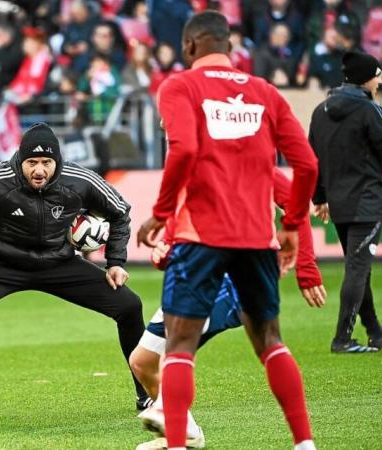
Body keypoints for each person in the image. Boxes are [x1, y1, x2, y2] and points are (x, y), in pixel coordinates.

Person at [136, 11, 319, 450]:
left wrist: (160, 214)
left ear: (189, 46)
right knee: (271, 342)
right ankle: (305, 444)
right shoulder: (265, 92)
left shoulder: (180, 86)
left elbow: (184, 149)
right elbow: (307, 165)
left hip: (202, 238)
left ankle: (178, 444)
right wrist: (292, 227)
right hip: (257, 239)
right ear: (229, 45)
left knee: (179, 346)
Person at [0, 122, 149, 417]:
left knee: (130, 306)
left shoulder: (79, 180)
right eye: (32, 162)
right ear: (21, 161)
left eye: (47, 162)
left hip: (59, 263)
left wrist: (116, 263)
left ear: (57, 162)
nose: (39, 170)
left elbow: (120, 212)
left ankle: (146, 395)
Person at [130, 169, 327, 449]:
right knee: (142, 361)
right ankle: (188, 432)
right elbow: (185, 217)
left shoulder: (243, 153)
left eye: (164, 120)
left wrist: (306, 267)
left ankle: (167, 412)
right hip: (193, 272)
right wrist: (167, 246)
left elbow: (296, 197)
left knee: (181, 342)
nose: (163, 123)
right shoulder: (186, 157)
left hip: (234, 274)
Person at [309, 49, 382, 353]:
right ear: (367, 78)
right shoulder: (370, 111)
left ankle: (375, 333)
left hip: (338, 203)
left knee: (357, 267)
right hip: (368, 202)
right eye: (377, 75)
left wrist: (320, 197)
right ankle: (342, 338)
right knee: (357, 269)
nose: (379, 80)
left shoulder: (320, 111)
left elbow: (312, 159)